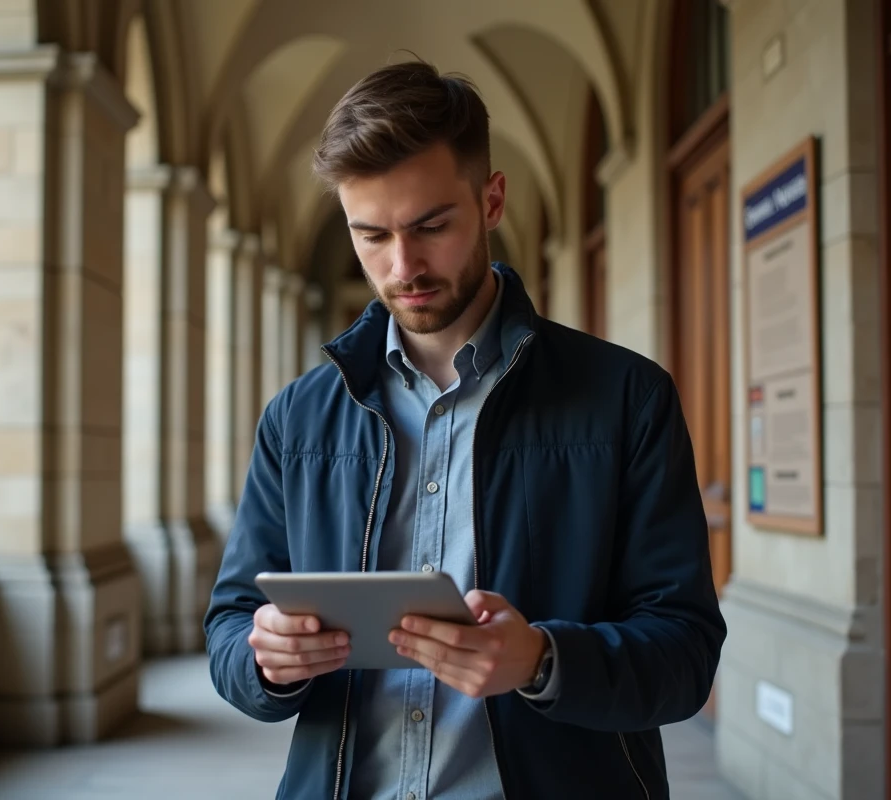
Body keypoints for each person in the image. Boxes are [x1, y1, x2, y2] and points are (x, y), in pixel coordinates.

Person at [204, 58, 726, 800]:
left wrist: (543, 661)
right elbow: (229, 626)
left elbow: (685, 655)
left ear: (492, 200)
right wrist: (264, 658)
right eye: (371, 235)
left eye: (430, 226)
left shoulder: (629, 399)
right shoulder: (296, 417)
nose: (402, 265)